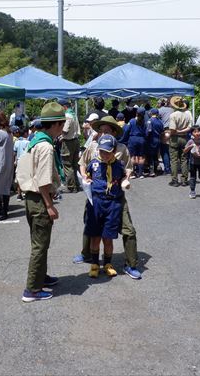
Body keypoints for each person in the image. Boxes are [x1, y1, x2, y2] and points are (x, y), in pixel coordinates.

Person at [75, 116, 141, 280]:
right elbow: (83, 164)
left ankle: (131, 264)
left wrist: (126, 179)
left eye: (106, 131)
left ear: (113, 132)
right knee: (90, 225)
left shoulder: (122, 149)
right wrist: (84, 177)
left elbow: (128, 169)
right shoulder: (92, 146)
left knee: (128, 230)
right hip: (95, 195)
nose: (102, 133)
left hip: (116, 197)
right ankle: (87, 256)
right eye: (100, 130)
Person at [16, 102, 66, 302]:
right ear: (55, 125)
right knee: (39, 245)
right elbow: (43, 180)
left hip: (31, 197)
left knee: (40, 242)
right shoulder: (45, 146)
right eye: (62, 124)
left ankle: (41, 277)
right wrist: (49, 205)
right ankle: (32, 290)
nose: (63, 128)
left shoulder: (35, 139)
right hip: (39, 198)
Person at [84, 134, 126, 278]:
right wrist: (87, 179)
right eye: (102, 151)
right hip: (95, 202)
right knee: (95, 236)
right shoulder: (94, 163)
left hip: (112, 203)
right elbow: (87, 174)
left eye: (108, 152)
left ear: (114, 151)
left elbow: (124, 176)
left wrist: (125, 181)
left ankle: (108, 263)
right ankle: (95, 264)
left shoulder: (119, 165)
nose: (105, 155)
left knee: (108, 237)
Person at [168, 97, 193, 187]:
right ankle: (184, 180)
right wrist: (182, 131)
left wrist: (177, 132)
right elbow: (190, 127)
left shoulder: (173, 115)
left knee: (174, 160)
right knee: (184, 159)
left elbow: (172, 129)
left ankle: (174, 180)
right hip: (185, 138)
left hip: (175, 138)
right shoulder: (187, 115)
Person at [58, 98, 81, 193]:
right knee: (75, 165)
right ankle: (76, 184)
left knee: (67, 165)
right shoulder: (74, 114)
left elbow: (65, 130)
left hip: (68, 142)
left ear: (64, 106)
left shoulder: (67, 115)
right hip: (76, 140)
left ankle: (71, 187)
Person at [120, 107, 148, 179]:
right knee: (141, 156)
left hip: (133, 139)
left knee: (132, 156)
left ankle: (132, 173)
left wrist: (123, 139)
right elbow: (146, 133)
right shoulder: (145, 122)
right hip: (142, 140)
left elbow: (126, 131)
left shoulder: (132, 121)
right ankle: (140, 173)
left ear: (136, 113)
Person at [184, 125, 200, 199]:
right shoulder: (190, 141)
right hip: (193, 163)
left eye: (198, 131)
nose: (197, 133)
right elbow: (184, 151)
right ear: (192, 133)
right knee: (192, 177)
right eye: (195, 132)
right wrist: (189, 147)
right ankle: (192, 191)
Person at [146, 108, 164, 176]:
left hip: (151, 140)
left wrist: (146, 137)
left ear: (151, 113)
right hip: (158, 140)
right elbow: (162, 131)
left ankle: (151, 171)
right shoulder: (160, 121)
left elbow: (148, 131)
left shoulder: (150, 121)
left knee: (150, 156)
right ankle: (156, 170)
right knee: (156, 155)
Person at [157, 99, 173, 175]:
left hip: (164, 131)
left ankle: (167, 168)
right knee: (171, 150)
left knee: (164, 150)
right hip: (172, 131)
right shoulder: (172, 110)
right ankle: (171, 167)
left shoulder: (159, 110)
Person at [13, 126, 29, 201]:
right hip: (26, 161)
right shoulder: (28, 142)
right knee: (26, 178)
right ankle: (25, 193)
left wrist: (15, 161)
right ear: (26, 133)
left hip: (18, 161)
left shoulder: (17, 142)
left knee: (19, 178)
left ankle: (19, 195)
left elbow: (15, 153)